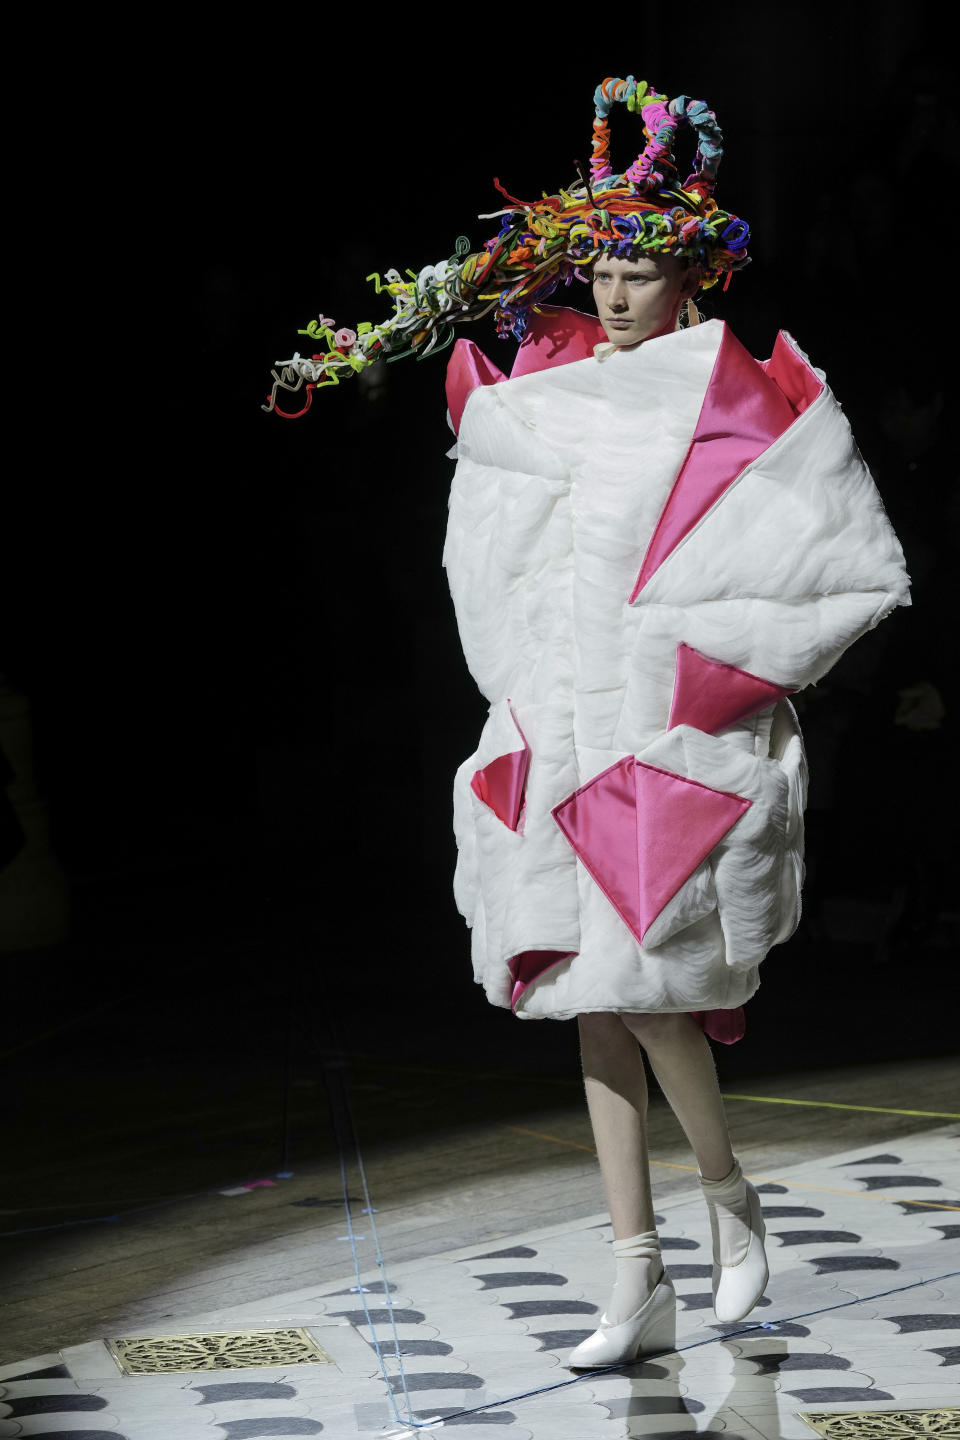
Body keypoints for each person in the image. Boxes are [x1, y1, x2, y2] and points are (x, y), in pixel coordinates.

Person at [266, 76, 911, 1369]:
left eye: (643, 268)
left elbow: (822, 559)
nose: (616, 293)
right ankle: (636, 1272)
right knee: (590, 1003)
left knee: (652, 995)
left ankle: (728, 1200)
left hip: (661, 743)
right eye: (602, 268)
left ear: (689, 275)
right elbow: (491, 556)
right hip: (564, 727)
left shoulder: (713, 397)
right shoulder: (547, 397)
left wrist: (730, 681)